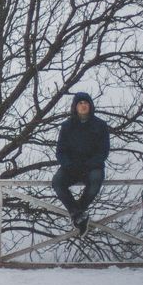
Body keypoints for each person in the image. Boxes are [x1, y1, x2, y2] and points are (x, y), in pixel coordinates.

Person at [52, 91, 109, 237]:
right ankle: (77, 214)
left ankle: (79, 212)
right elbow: (60, 152)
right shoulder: (66, 126)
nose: (83, 106)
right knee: (57, 182)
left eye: (86, 103)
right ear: (75, 107)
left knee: (96, 181)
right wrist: (68, 165)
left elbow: (103, 151)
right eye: (80, 103)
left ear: (90, 105)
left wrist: (89, 165)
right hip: (71, 167)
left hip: (92, 167)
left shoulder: (101, 125)